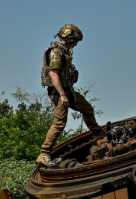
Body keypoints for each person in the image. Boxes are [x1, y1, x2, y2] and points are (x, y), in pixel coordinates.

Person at [38, 24, 103, 165]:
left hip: (68, 90)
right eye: (76, 41)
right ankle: (44, 154)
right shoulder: (56, 52)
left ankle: (97, 135)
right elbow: (53, 74)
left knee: (87, 108)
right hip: (59, 92)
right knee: (60, 123)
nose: (76, 44)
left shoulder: (64, 52)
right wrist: (62, 95)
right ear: (69, 38)